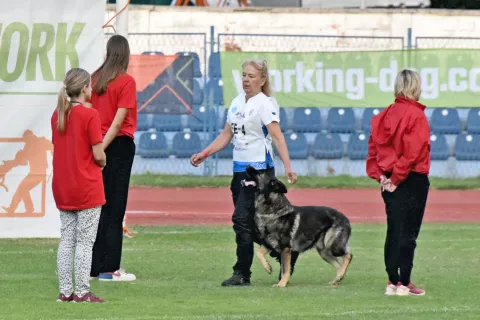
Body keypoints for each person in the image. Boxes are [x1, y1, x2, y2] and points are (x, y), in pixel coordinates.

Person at [190, 59, 299, 286]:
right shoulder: (237, 102)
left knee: (241, 219)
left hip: (259, 172)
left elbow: (277, 137)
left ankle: (242, 273)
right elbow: (226, 134)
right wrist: (205, 153)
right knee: (249, 223)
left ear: (262, 79)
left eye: (251, 76)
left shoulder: (264, 104)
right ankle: (282, 254)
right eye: (244, 75)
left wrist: (288, 166)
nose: (246, 80)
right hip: (240, 171)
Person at [366, 69, 430, 296]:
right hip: (411, 179)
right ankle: (404, 282)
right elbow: (413, 153)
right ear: (415, 87)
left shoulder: (382, 116)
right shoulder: (417, 115)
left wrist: (382, 176)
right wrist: (396, 178)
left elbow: (373, 150)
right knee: (409, 233)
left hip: (389, 179)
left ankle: (392, 281)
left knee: (394, 230)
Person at [52, 68, 106, 303]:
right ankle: (82, 292)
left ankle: (65, 292)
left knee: (67, 240)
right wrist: (102, 162)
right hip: (86, 185)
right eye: (90, 86)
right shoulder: (90, 115)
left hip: (63, 185)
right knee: (85, 242)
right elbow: (98, 153)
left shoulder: (57, 115)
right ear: (84, 88)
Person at [89, 34, 137, 282]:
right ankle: (110, 267)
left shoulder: (95, 79)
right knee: (115, 207)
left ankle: (94, 266)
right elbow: (119, 121)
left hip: (96, 144)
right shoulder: (126, 81)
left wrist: (95, 146)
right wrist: (104, 148)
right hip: (117, 146)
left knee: (98, 207)